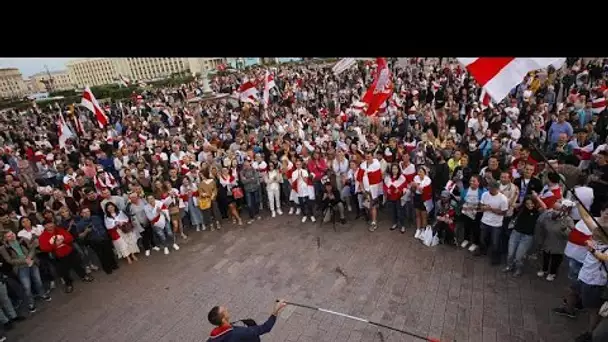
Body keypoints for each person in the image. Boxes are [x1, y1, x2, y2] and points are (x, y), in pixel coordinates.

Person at [0, 230, 51, 313]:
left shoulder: (22, 239)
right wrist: (25, 261)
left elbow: (32, 248)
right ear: (5, 239)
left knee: (38, 281)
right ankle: (31, 303)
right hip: (20, 267)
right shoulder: (3, 248)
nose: (12, 236)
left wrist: (29, 258)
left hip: (32, 262)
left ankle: (42, 294)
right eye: (9, 236)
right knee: (27, 286)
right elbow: (9, 260)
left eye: (12, 234)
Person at [38, 220, 94, 293]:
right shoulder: (43, 236)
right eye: (47, 224)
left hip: (69, 252)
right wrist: (55, 245)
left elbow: (70, 237)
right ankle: (68, 284)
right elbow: (44, 248)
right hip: (58, 256)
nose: (50, 225)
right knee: (63, 271)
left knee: (77, 265)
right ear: (44, 226)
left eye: (51, 223)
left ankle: (84, 276)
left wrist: (62, 241)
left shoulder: (60, 230)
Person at [503, 195, 546, 277]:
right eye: (527, 203)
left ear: (534, 203)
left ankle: (518, 269)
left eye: (531, 203)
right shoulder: (521, 208)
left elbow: (544, 207)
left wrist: (536, 197)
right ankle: (509, 266)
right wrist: (516, 194)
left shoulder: (537, 211)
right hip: (515, 233)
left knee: (519, 256)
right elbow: (512, 204)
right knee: (510, 253)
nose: (530, 205)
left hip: (527, 237)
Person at [206, 300, 287, 342]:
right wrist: (275, 311)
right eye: (224, 310)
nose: (227, 309)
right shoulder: (240, 333)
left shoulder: (214, 336)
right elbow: (265, 328)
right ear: (223, 319)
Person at [535, 200, 575, 281]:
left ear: (563, 210)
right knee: (545, 257)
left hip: (558, 244)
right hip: (548, 241)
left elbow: (570, 234)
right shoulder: (548, 216)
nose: (554, 211)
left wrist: (565, 229)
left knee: (555, 260)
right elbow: (541, 225)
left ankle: (552, 273)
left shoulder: (568, 220)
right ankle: (544, 269)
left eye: (557, 209)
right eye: (553, 208)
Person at [478, 181, 509, 263]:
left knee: (495, 243)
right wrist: (483, 207)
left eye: (492, 188)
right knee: (482, 239)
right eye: (489, 188)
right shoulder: (485, 194)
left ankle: (496, 258)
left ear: (497, 189)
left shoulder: (503, 199)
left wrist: (491, 209)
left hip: (496, 224)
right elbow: (480, 205)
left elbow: (504, 212)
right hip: (484, 221)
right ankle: (483, 251)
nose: (490, 190)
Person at [356, 151, 383, 231]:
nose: (367, 158)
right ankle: (371, 217)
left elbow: (378, 179)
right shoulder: (362, 166)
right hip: (366, 189)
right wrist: (363, 189)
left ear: (372, 157)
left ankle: (374, 222)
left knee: (373, 206)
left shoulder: (376, 164)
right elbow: (360, 178)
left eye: (369, 156)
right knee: (368, 206)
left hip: (374, 189)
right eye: (366, 157)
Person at [459, 175, 486, 253]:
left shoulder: (483, 191)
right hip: (466, 212)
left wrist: (475, 208)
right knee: (466, 226)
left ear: (479, 182)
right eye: (471, 180)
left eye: (474, 181)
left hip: (477, 213)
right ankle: (466, 239)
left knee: (476, 229)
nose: (471, 182)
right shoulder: (465, 190)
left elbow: (483, 204)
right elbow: (462, 200)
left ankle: (475, 243)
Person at [383, 164, 407, 233]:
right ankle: (395, 223)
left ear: (398, 169)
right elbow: (385, 185)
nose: (394, 170)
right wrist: (387, 189)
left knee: (400, 211)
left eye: (396, 169)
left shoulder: (402, 178)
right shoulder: (388, 177)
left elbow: (404, 186)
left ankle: (402, 225)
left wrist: (399, 189)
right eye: (393, 169)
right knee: (393, 211)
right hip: (391, 197)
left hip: (399, 197)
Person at [240, 160, 262, 224]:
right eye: (245, 165)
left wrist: (247, 179)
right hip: (248, 190)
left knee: (256, 202)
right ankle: (252, 217)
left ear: (249, 164)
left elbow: (255, 179)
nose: (246, 166)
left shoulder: (254, 170)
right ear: (244, 165)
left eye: (248, 165)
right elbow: (243, 182)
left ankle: (257, 214)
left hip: (255, 189)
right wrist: (250, 179)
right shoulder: (242, 172)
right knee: (249, 204)